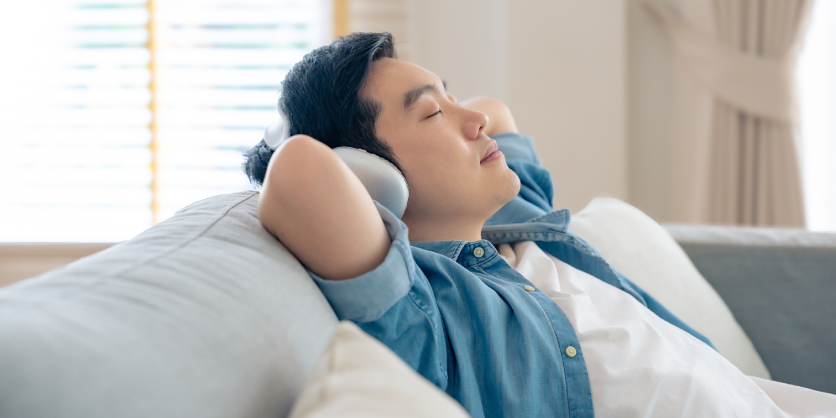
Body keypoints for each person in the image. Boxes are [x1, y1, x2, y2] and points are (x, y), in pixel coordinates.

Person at [243, 32, 836, 418]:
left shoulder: (513, 221)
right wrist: (324, 151)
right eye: (433, 113)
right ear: (370, 175)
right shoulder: (427, 309)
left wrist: (439, 106)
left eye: (451, 96)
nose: (474, 121)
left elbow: (493, 109)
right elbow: (300, 171)